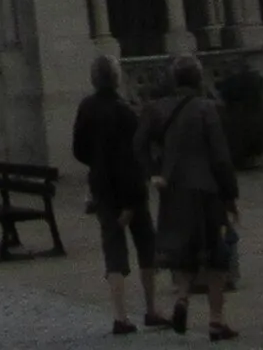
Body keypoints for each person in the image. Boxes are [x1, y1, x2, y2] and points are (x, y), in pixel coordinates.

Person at [72, 54, 168, 335]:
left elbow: (78, 149)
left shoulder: (86, 108)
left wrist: (96, 163)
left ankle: (120, 316)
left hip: (102, 188)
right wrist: (131, 201)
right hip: (130, 192)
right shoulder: (125, 112)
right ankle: (150, 309)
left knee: (113, 250)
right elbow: (134, 157)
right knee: (146, 247)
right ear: (116, 79)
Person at [151, 54, 240, 341]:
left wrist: (157, 172)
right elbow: (221, 157)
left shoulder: (160, 110)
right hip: (205, 190)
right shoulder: (205, 109)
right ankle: (216, 320)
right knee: (217, 254)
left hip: (175, 190)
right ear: (199, 79)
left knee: (185, 251)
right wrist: (230, 195)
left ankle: (182, 299)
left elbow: (143, 145)